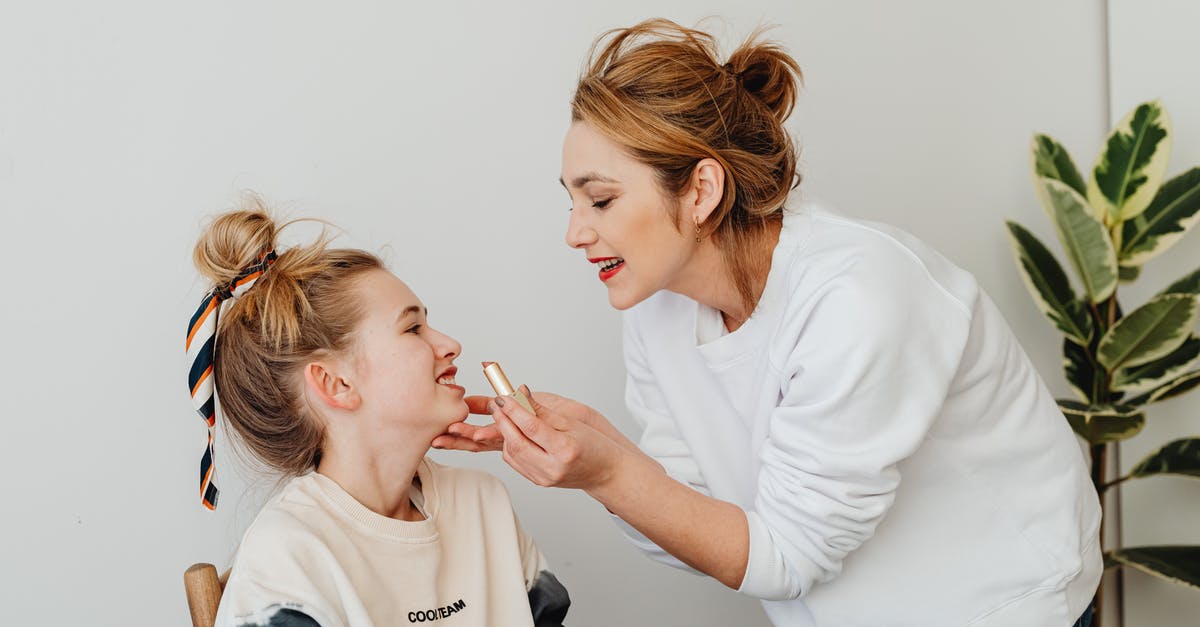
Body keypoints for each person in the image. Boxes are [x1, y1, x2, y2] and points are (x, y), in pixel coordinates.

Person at [434, 18, 1100, 627]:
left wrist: (609, 471)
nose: (576, 232)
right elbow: (694, 523)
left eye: (601, 199)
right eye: (573, 201)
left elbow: (787, 556)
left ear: (701, 189)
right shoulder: (658, 304)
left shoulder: (858, 298)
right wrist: (596, 456)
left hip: (1001, 606)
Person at [185, 201, 569, 627]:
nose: (450, 344)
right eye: (413, 328)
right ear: (337, 384)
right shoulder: (288, 556)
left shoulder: (483, 502)